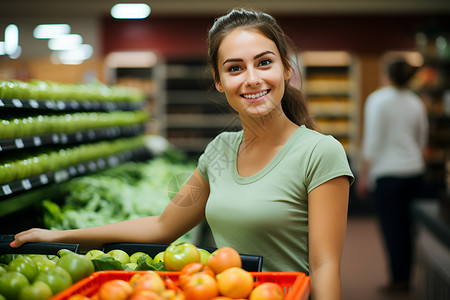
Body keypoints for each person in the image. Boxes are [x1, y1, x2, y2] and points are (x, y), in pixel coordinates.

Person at [11, 9, 354, 300]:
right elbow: (163, 226)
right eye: (235, 68)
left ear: (286, 69)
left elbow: (325, 266)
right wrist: (58, 237)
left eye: (264, 63)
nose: (252, 79)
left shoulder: (320, 153)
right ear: (219, 81)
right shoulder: (220, 151)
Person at [356, 59, 428, 293]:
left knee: (392, 229)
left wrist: (364, 174)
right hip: (415, 172)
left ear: (387, 75)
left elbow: (372, 141)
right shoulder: (416, 102)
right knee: (409, 228)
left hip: (387, 174)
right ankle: (406, 276)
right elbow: (421, 138)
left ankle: (398, 279)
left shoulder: (378, 100)